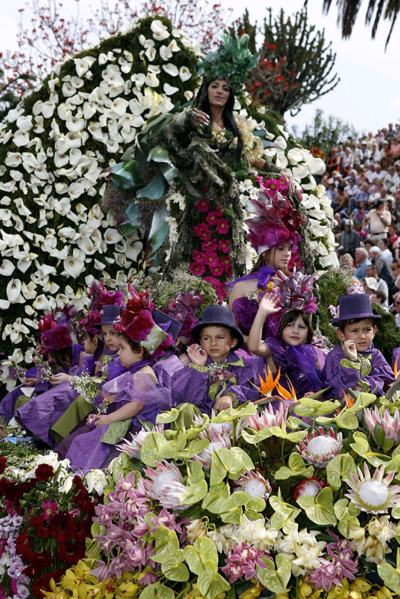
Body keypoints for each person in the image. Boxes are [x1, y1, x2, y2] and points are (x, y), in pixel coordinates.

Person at [162, 34, 264, 286]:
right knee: (194, 265)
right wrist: (184, 120)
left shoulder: (238, 127)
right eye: (214, 85)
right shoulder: (192, 119)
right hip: (197, 205)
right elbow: (167, 137)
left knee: (226, 264)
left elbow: (250, 162)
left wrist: (279, 173)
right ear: (205, 88)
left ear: (231, 95)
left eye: (225, 88)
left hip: (228, 208)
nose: (219, 91)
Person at [55, 288, 173, 472]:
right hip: (122, 419)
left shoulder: (144, 374)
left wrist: (109, 418)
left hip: (135, 427)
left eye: (123, 348)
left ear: (140, 351)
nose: (118, 352)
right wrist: (103, 414)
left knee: (91, 444)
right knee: (81, 438)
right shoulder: (135, 370)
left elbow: (136, 406)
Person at [228, 177, 303, 340]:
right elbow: (230, 333)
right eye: (281, 248)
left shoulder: (294, 285)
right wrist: (261, 348)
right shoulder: (241, 287)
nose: (287, 254)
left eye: (290, 248)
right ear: (264, 251)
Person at [171, 305, 261, 415]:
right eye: (207, 338)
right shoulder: (193, 367)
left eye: (220, 337)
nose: (213, 343)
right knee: (186, 409)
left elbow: (251, 389)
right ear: (201, 342)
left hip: (234, 419)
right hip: (202, 422)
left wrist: (230, 396)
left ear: (233, 341)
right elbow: (190, 400)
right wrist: (199, 369)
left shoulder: (243, 366)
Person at [247, 276, 325, 399]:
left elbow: (321, 390)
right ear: (281, 328)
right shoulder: (275, 349)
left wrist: (314, 397)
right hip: (276, 407)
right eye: (289, 325)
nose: (295, 331)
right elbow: (254, 346)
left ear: (308, 332)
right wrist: (261, 313)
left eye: (301, 327)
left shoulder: (313, 354)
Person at [322, 294, 394, 400]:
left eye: (367, 330)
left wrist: (360, 387)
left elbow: (386, 379)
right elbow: (330, 387)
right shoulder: (334, 356)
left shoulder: (375, 355)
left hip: (371, 409)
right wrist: (352, 362)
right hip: (340, 410)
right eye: (354, 331)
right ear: (341, 334)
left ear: (374, 331)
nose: (362, 336)